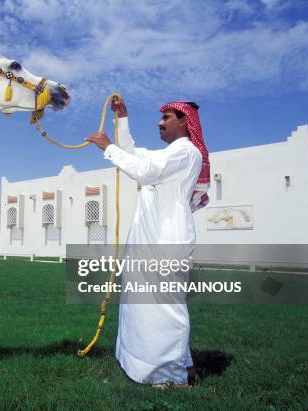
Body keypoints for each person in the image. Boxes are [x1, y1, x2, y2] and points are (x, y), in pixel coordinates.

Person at [86, 97, 210, 387]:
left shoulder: (185, 152)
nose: (160, 122)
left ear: (184, 121)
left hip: (167, 240)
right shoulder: (169, 155)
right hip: (149, 240)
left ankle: (174, 376)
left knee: (166, 309)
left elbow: (144, 171)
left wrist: (108, 147)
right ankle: (167, 366)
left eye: (167, 117)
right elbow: (136, 156)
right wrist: (123, 118)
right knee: (143, 309)